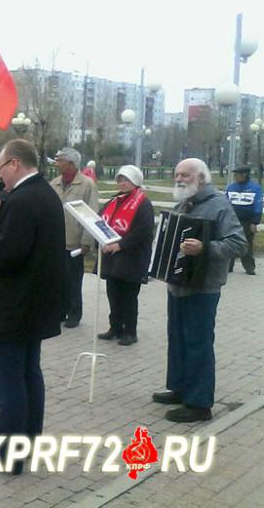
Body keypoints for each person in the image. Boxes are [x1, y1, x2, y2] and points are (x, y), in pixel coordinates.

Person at [0, 140, 66, 473]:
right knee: (28, 375)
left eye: (1, 166)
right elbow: (19, 242)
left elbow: (5, 254)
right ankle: (27, 445)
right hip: (33, 305)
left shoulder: (23, 200)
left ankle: (6, 454)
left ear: (15, 164)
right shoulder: (43, 194)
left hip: (11, 307)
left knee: (9, 384)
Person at [152, 158, 246, 422]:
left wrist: (206, 248)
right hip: (178, 283)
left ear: (202, 178)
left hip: (203, 287)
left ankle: (199, 403)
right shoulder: (184, 201)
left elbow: (238, 244)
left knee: (198, 343)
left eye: (185, 175)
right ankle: (180, 388)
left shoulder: (218, 205)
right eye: (177, 174)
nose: (179, 179)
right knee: (178, 339)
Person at [97, 166, 154, 346]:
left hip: (131, 258)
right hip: (112, 258)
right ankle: (115, 327)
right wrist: (101, 240)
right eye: (120, 180)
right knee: (113, 294)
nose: (122, 183)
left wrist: (120, 245)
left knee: (128, 296)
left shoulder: (143, 203)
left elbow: (143, 231)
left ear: (135, 181)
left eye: (126, 180)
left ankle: (130, 331)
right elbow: (100, 220)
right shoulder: (114, 200)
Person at [49, 147, 98, 328]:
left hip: (75, 242)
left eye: (60, 160)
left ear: (71, 163)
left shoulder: (87, 184)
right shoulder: (54, 183)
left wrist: (86, 242)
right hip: (56, 241)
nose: (57, 163)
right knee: (57, 279)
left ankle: (74, 313)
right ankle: (59, 311)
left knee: (73, 280)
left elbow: (91, 213)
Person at [225, 165, 262, 275]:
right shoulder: (231, 187)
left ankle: (249, 267)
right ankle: (228, 266)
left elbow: (258, 206)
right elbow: (225, 203)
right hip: (232, 220)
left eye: (237, 174)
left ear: (244, 175)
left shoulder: (255, 188)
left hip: (247, 221)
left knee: (246, 243)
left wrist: (254, 222)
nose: (235, 176)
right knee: (229, 242)